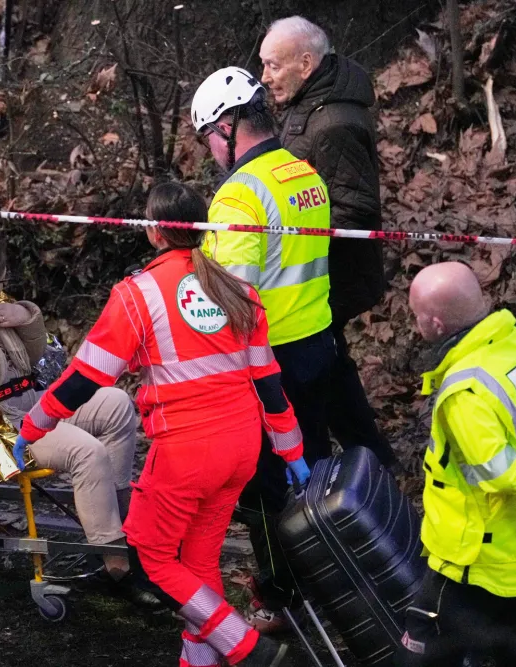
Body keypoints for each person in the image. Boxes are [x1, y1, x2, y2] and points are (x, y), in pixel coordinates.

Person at [16, 183, 308, 667]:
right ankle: (200, 661)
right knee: (198, 563)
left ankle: (246, 648)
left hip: (186, 453)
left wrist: (33, 425)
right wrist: (292, 451)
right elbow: (269, 383)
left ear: (154, 231)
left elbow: (86, 377)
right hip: (241, 449)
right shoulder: (240, 291)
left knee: (152, 559)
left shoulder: (138, 295)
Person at [0, 234, 158, 606]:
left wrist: (26, 316)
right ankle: (117, 564)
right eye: (1, 281)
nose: (4, 287)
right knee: (87, 451)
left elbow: (32, 360)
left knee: (115, 403)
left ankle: (120, 530)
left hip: (30, 402)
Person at [192, 66, 332, 632]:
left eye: (207, 136)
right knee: (313, 471)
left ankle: (280, 597)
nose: (209, 150)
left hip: (268, 362)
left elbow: (228, 296)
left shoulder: (239, 195)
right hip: (316, 344)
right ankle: (326, 576)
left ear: (227, 126)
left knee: (265, 490)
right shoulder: (303, 173)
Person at [260, 16, 394, 467]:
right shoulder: (309, 103)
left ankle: (345, 469)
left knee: (325, 373)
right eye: (264, 64)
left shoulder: (334, 121)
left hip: (331, 277)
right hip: (319, 276)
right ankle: (369, 464)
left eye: (273, 65)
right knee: (332, 373)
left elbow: (357, 208)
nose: (265, 77)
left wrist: (291, 232)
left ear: (306, 63)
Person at [399, 262, 516, 665]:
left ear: (435, 323)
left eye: (416, 314)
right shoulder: (509, 344)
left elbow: (502, 475)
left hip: (474, 556)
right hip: (507, 547)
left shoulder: (465, 391)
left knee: (421, 651)